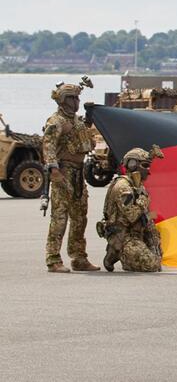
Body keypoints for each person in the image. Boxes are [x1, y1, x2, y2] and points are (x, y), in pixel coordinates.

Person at [43, 79, 99, 273]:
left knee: (79, 216)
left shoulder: (76, 121)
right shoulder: (56, 121)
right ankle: (53, 259)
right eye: (72, 98)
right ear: (62, 100)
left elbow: (88, 142)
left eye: (77, 98)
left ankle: (79, 257)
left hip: (78, 172)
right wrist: (54, 170)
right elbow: (48, 145)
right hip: (63, 171)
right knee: (59, 217)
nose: (75, 102)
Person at [99, 147, 164, 272]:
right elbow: (132, 215)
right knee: (151, 265)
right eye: (145, 166)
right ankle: (116, 251)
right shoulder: (123, 187)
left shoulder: (137, 185)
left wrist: (153, 238)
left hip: (135, 231)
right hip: (123, 234)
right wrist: (143, 199)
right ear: (133, 165)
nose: (148, 171)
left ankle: (129, 252)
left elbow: (145, 214)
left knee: (157, 259)